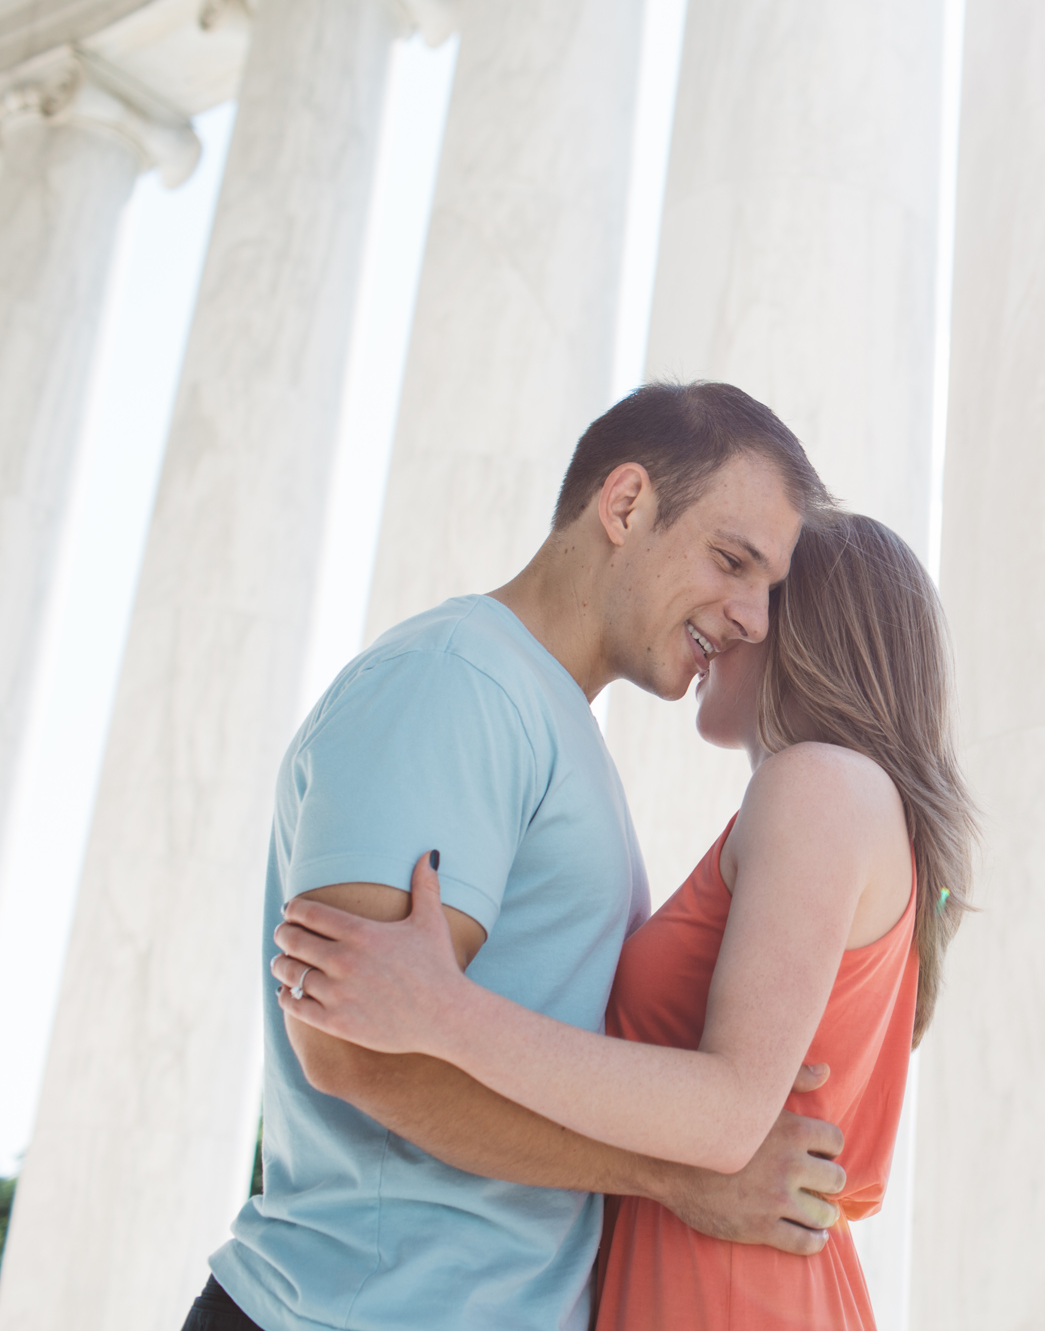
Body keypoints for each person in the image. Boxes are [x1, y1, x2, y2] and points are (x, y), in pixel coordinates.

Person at [187, 382, 846, 1331]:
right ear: (625, 505)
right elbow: (354, 1051)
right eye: (731, 559)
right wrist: (676, 1178)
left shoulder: (548, 719)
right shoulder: (457, 682)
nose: (752, 616)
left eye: (767, 588)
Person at [270, 513, 975, 1330]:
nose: (725, 619)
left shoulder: (818, 784)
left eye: (753, 591)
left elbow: (732, 1111)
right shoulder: (841, 804)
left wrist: (440, 1008)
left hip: (733, 1293)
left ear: (810, 626)